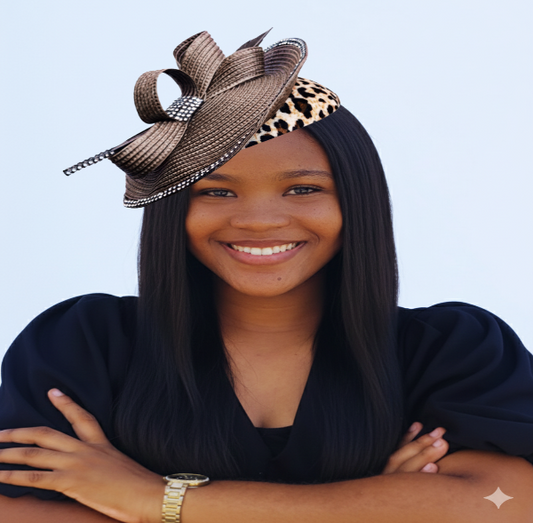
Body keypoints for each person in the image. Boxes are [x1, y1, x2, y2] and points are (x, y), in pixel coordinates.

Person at [0, 30, 532, 523]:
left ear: (356, 201)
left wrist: (153, 499)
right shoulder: (83, 342)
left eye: (302, 189)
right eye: (216, 191)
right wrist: (380, 506)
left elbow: (506, 504)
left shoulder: (455, 349)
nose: (258, 220)